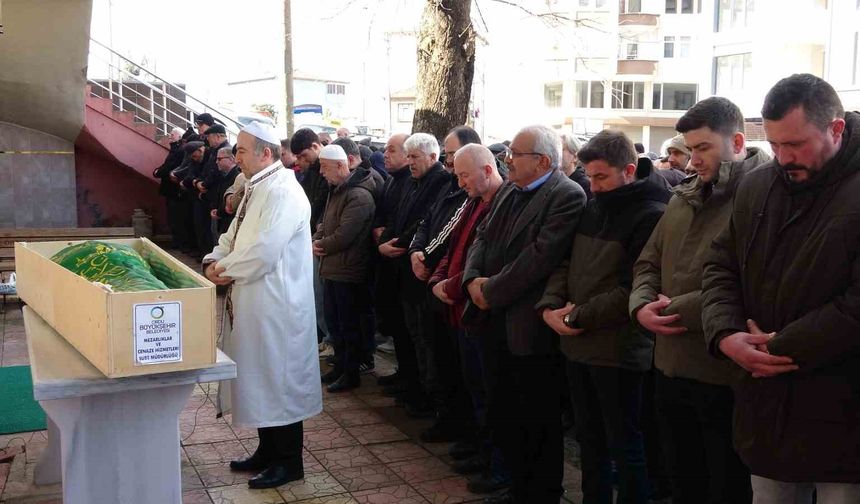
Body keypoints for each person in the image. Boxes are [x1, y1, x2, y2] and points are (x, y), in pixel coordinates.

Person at [702, 73, 860, 504]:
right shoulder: (757, 185)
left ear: (837, 129)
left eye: (796, 144)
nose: (783, 157)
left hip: (844, 412)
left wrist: (778, 348)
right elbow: (719, 266)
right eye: (774, 145)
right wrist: (725, 334)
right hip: (767, 408)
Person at [631, 96, 768, 504]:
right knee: (683, 482)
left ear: (738, 141)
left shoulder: (761, 197)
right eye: (690, 149)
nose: (692, 161)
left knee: (725, 486)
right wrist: (640, 305)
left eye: (703, 148)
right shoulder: (684, 195)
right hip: (669, 366)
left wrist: (667, 311)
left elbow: (746, 282)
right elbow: (647, 261)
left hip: (721, 374)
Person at [539, 130, 670, 504]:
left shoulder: (652, 213)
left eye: (601, 177)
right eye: (589, 176)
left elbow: (634, 288)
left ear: (628, 170)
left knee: (625, 443)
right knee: (589, 440)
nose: (592, 186)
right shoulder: (592, 206)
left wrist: (575, 316)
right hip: (577, 343)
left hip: (618, 351)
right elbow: (564, 262)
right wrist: (550, 306)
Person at [463, 125, 586, 504]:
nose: (507, 159)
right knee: (505, 413)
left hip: (529, 327)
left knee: (537, 418)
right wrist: (471, 281)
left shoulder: (566, 195)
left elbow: (539, 257)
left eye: (516, 153)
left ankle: (543, 493)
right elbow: (482, 236)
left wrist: (491, 291)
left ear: (544, 161)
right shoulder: (512, 190)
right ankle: (517, 488)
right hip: (494, 319)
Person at [203, 121, 322, 489]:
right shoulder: (256, 186)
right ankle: (267, 450)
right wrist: (213, 258)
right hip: (253, 303)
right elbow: (233, 235)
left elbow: (265, 250)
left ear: (265, 153)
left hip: (277, 307)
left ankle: (290, 462)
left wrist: (223, 268)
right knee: (259, 377)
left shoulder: (284, 192)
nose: (235, 157)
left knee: (279, 380)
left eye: (240, 150)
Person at [429, 144, 509, 492]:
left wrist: (455, 285)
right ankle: (483, 450)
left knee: (494, 397)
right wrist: (437, 280)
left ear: (487, 171)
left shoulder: (503, 204)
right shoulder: (473, 202)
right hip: (461, 309)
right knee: (475, 389)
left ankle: (498, 464)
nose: (459, 182)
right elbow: (454, 248)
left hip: (482, 312)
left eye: (463, 175)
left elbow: (488, 262)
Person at [408, 126, 477, 435]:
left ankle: (456, 422)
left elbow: (451, 231)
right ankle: (446, 414)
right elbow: (428, 221)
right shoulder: (452, 185)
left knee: (455, 364)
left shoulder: (471, 189)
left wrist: (426, 259)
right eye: (448, 156)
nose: (448, 162)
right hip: (435, 279)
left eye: (450, 154)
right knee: (437, 354)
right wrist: (415, 250)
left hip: (451, 288)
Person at [378, 132, 451, 415]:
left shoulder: (440, 181)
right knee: (409, 333)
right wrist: (385, 239)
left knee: (424, 339)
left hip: (420, 271)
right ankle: (412, 383)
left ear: (433, 157)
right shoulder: (412, 181)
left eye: (414, 157)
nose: (409, 162)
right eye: (407, 156)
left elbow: (426, 221)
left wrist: (398, 244)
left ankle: (426, 396)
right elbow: (398, 217)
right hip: (403, 266)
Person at [313, 144, 377, 392]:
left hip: (348, 270)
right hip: (334, 267)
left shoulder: (358, 194)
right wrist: (319, 237)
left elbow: (345, 234)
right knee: (335, 323)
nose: (321, 172)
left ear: (341, 165)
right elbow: (325, 223)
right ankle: (340, 366)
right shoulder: (337, 190)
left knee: (349, 325)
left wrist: (320, 244)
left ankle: (350, 372)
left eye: (324, 167)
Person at [373, 133, 415, 387]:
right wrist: (379, 234)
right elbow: (382, 215)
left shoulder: (411, 181)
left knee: (406, 328)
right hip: (385, 256)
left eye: (392, 150)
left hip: (401, 259)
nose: (385, 155)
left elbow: (407, 221)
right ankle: (403, 371)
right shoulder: (391, 180)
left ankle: (410, 377)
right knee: (396, 327)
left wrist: (389, 240)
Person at [153, 127, 188, 250]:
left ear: (180, 137)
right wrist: (157, 171)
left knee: (177, 217)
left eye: (173, 134)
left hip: (175, 190)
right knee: (172, 216)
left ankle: (180, 243)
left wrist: (158, 172)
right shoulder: (174, 150)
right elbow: (167, 165)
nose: (170, 136)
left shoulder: (179, 151)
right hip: (170, 189)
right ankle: (177, 241)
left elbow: (170, 167)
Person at [209, 146, 241, 235]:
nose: (216, 162)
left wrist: (219, 212)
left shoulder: (238, 176)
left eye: (219, 159)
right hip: (223, 219)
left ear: (231, 159)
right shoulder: (223, 175)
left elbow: (233, 203)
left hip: (230, 222)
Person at [560, 133, 592, 199]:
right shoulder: (551, 181)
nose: (556, 153)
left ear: (575, 157)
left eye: (561, 149)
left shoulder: (584, 185)